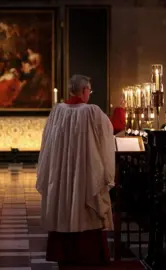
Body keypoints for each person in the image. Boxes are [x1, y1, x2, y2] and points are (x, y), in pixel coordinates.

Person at [36, 74, 114, 267]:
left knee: (65, 208)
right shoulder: (93, 112)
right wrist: (107, 174)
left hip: (61, 178)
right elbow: (106, 141)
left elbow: (47, 146)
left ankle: (66, 256)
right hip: (86, 178)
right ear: (85, 90)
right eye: (90, 91)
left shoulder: (56, 112)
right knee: (84, 212)